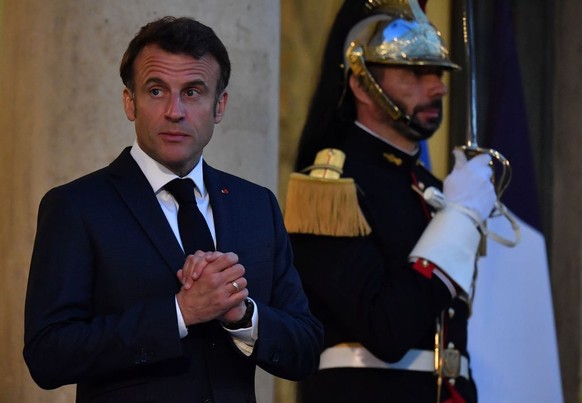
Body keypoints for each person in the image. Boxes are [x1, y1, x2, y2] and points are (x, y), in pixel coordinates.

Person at [23, 16, 323, 402]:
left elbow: (306, 347)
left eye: (194, 92)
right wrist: (180, 312)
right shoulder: (77, 206)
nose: (174, 111)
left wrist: (242, 315)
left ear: (220, 105)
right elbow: (48, 354)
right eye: (156, 90)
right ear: (130, 102)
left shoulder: (256, 205)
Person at [284, 0, 496, 402]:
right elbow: (386, 328)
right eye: (416, 73)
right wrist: (459, 219)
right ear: (361, 84)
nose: (439, 87)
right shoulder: (331, 189)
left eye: (439, 72)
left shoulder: (432, 186)